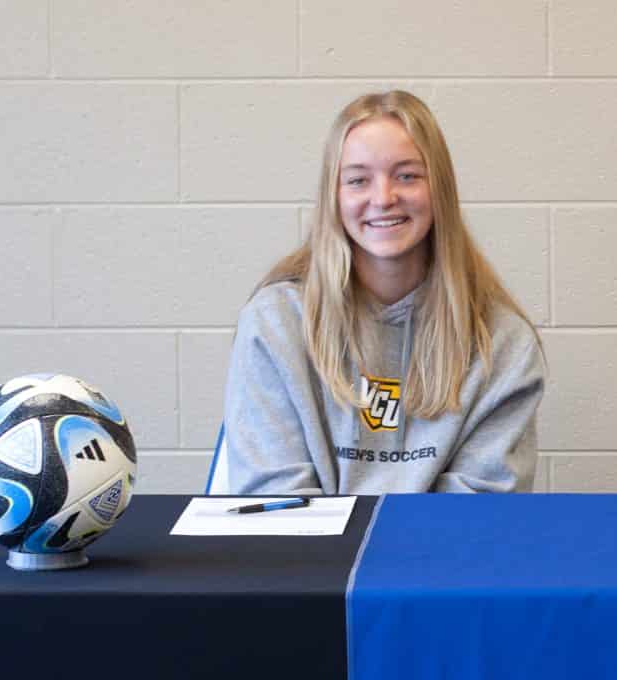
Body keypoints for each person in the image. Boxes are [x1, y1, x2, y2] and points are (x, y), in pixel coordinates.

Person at [219, 90, 542, 494]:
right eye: (358, 180)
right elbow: (276, 508)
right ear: (334, 197)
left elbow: (478, 519)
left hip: (434, 558)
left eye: (407, 175)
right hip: (311, 558)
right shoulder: (273, 324)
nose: (383, 198)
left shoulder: (503, 343)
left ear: (439, 190)